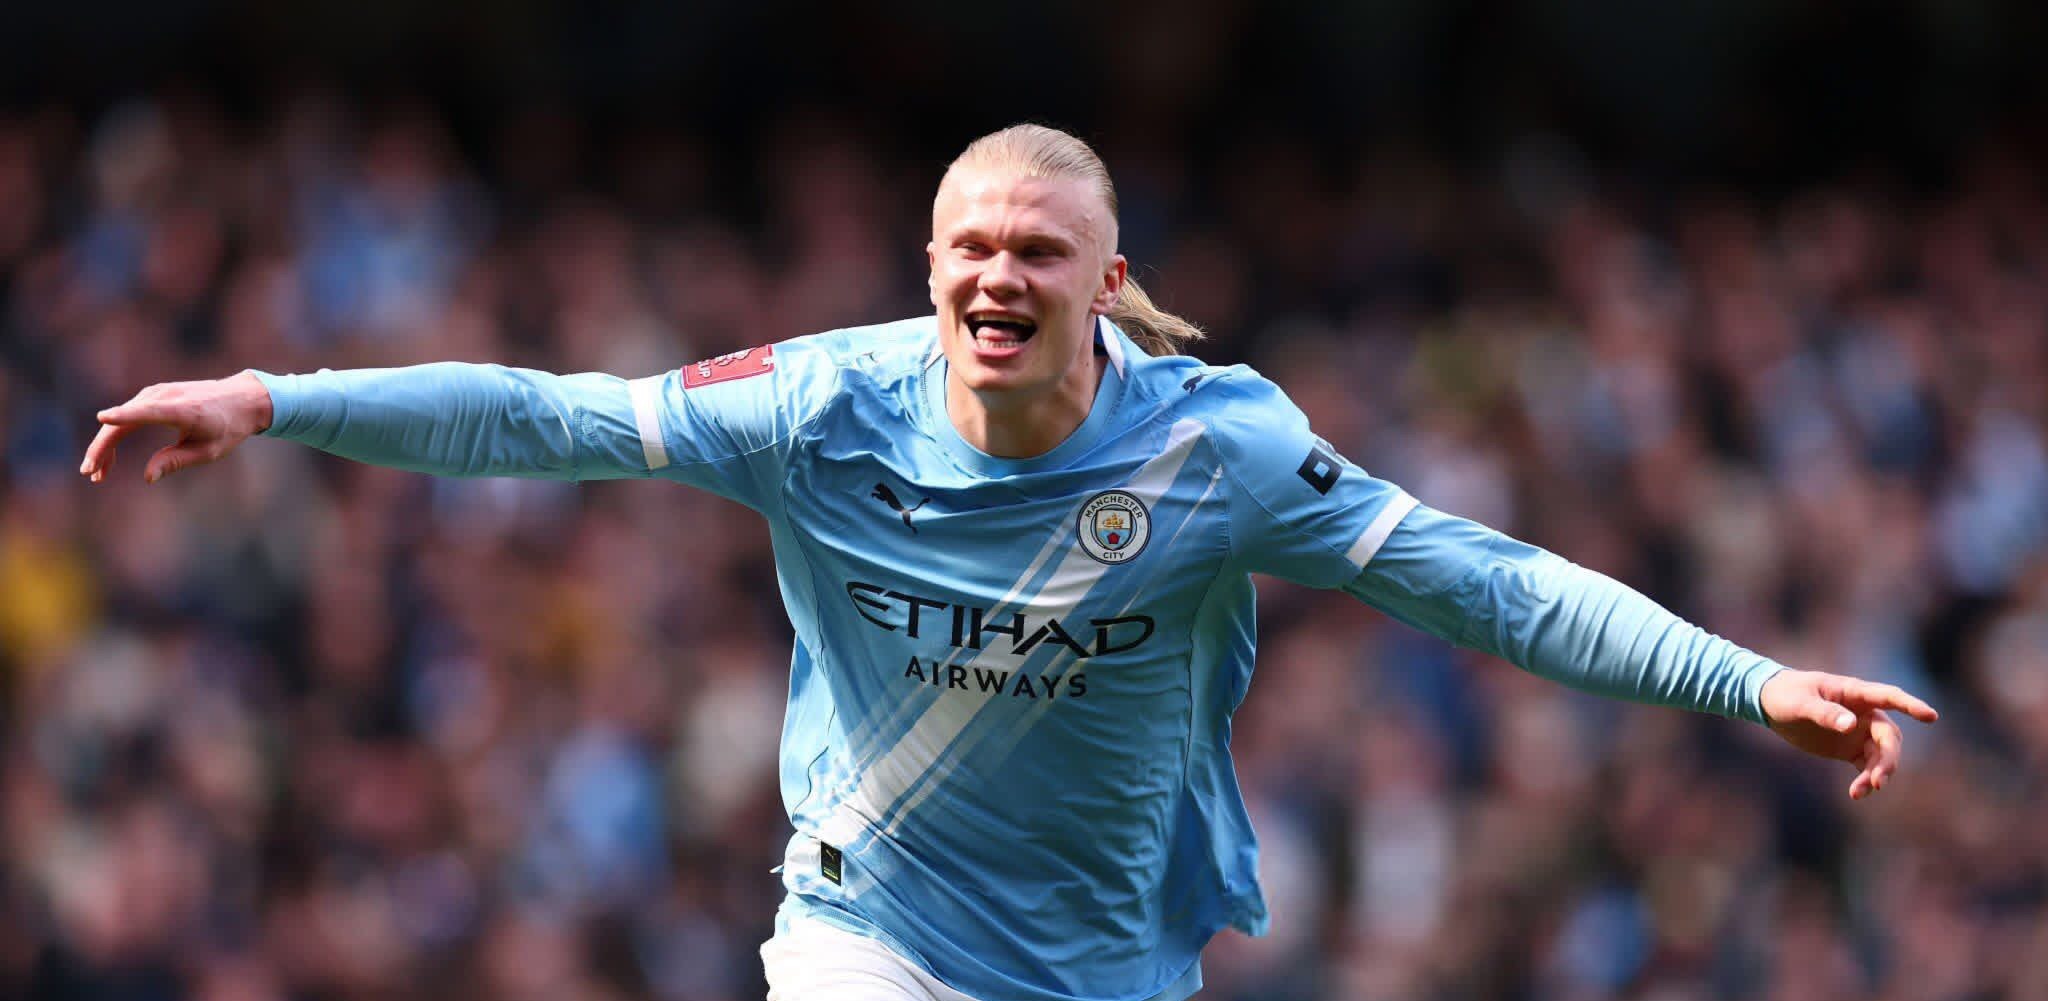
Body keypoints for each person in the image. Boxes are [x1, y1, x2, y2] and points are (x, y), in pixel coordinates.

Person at [80, 124, 1938, 1001]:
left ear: (1106, 283)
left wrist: (1744, 677)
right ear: (928, 266)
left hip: (1112, 969)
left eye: (1041, 250)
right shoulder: (818, 405)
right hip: (867, 932)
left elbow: (1489, 581)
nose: (998, 274)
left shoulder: (1220, 452)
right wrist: (276, 397)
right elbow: (544, 415)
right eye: (971, 244)